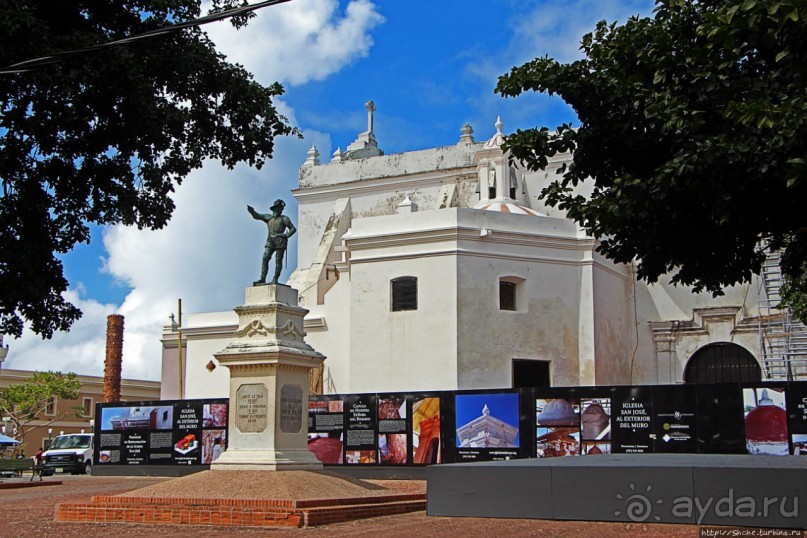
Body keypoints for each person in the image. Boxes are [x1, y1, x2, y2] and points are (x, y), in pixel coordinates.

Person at [247, 199, 296, 285]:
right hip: (270, 240)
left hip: (280, 240)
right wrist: (252, 211)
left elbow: (293, 229)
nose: (275, 211)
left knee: (278, 260)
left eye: (277, 208)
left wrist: (286, 235)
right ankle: (262, 278)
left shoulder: (284, 219)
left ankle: (275, 278)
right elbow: (257, 216)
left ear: (280, 209)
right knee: (265, 258)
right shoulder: (268, 217)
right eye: (274, 209)